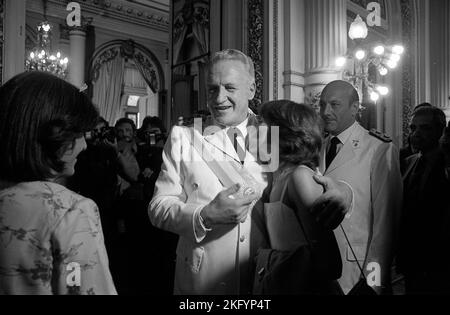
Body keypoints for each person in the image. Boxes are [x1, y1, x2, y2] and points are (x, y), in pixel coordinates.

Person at [149, 49, 353, 295]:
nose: (219, 98)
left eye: (230, 88)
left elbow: (309, 180)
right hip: (205, 280)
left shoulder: (275, 131)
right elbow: (159, 206)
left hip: (267, 281)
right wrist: (205, 216)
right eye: (212, 88)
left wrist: (345, 192)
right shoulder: (185, 137)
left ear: (252, 90)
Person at [0, 71, 116, 295]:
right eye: (80, 134)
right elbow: (83, 287)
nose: (84, 145)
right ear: (55, 133)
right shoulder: (70, 210)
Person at [319, 80, 402, 295]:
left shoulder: (378, 148)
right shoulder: (318, 147)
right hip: (323, 272)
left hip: (358, 273)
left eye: (334, 105)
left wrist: (374, 283)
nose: (325, 111)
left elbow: (386, 224)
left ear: (354, 108)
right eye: (322, 104)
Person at [258, 100, 342, 294]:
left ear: (286, 133)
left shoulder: (299, 176)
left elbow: (330, 264)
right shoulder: (275, 177)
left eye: (263, 126)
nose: (254, 133)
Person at [397, 106, 450, 294]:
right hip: (411, 259)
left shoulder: (446, 165)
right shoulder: (408, 162)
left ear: (439, 130)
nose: (416, 134)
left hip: (440, 261)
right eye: (412, 128)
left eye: (424, 128)